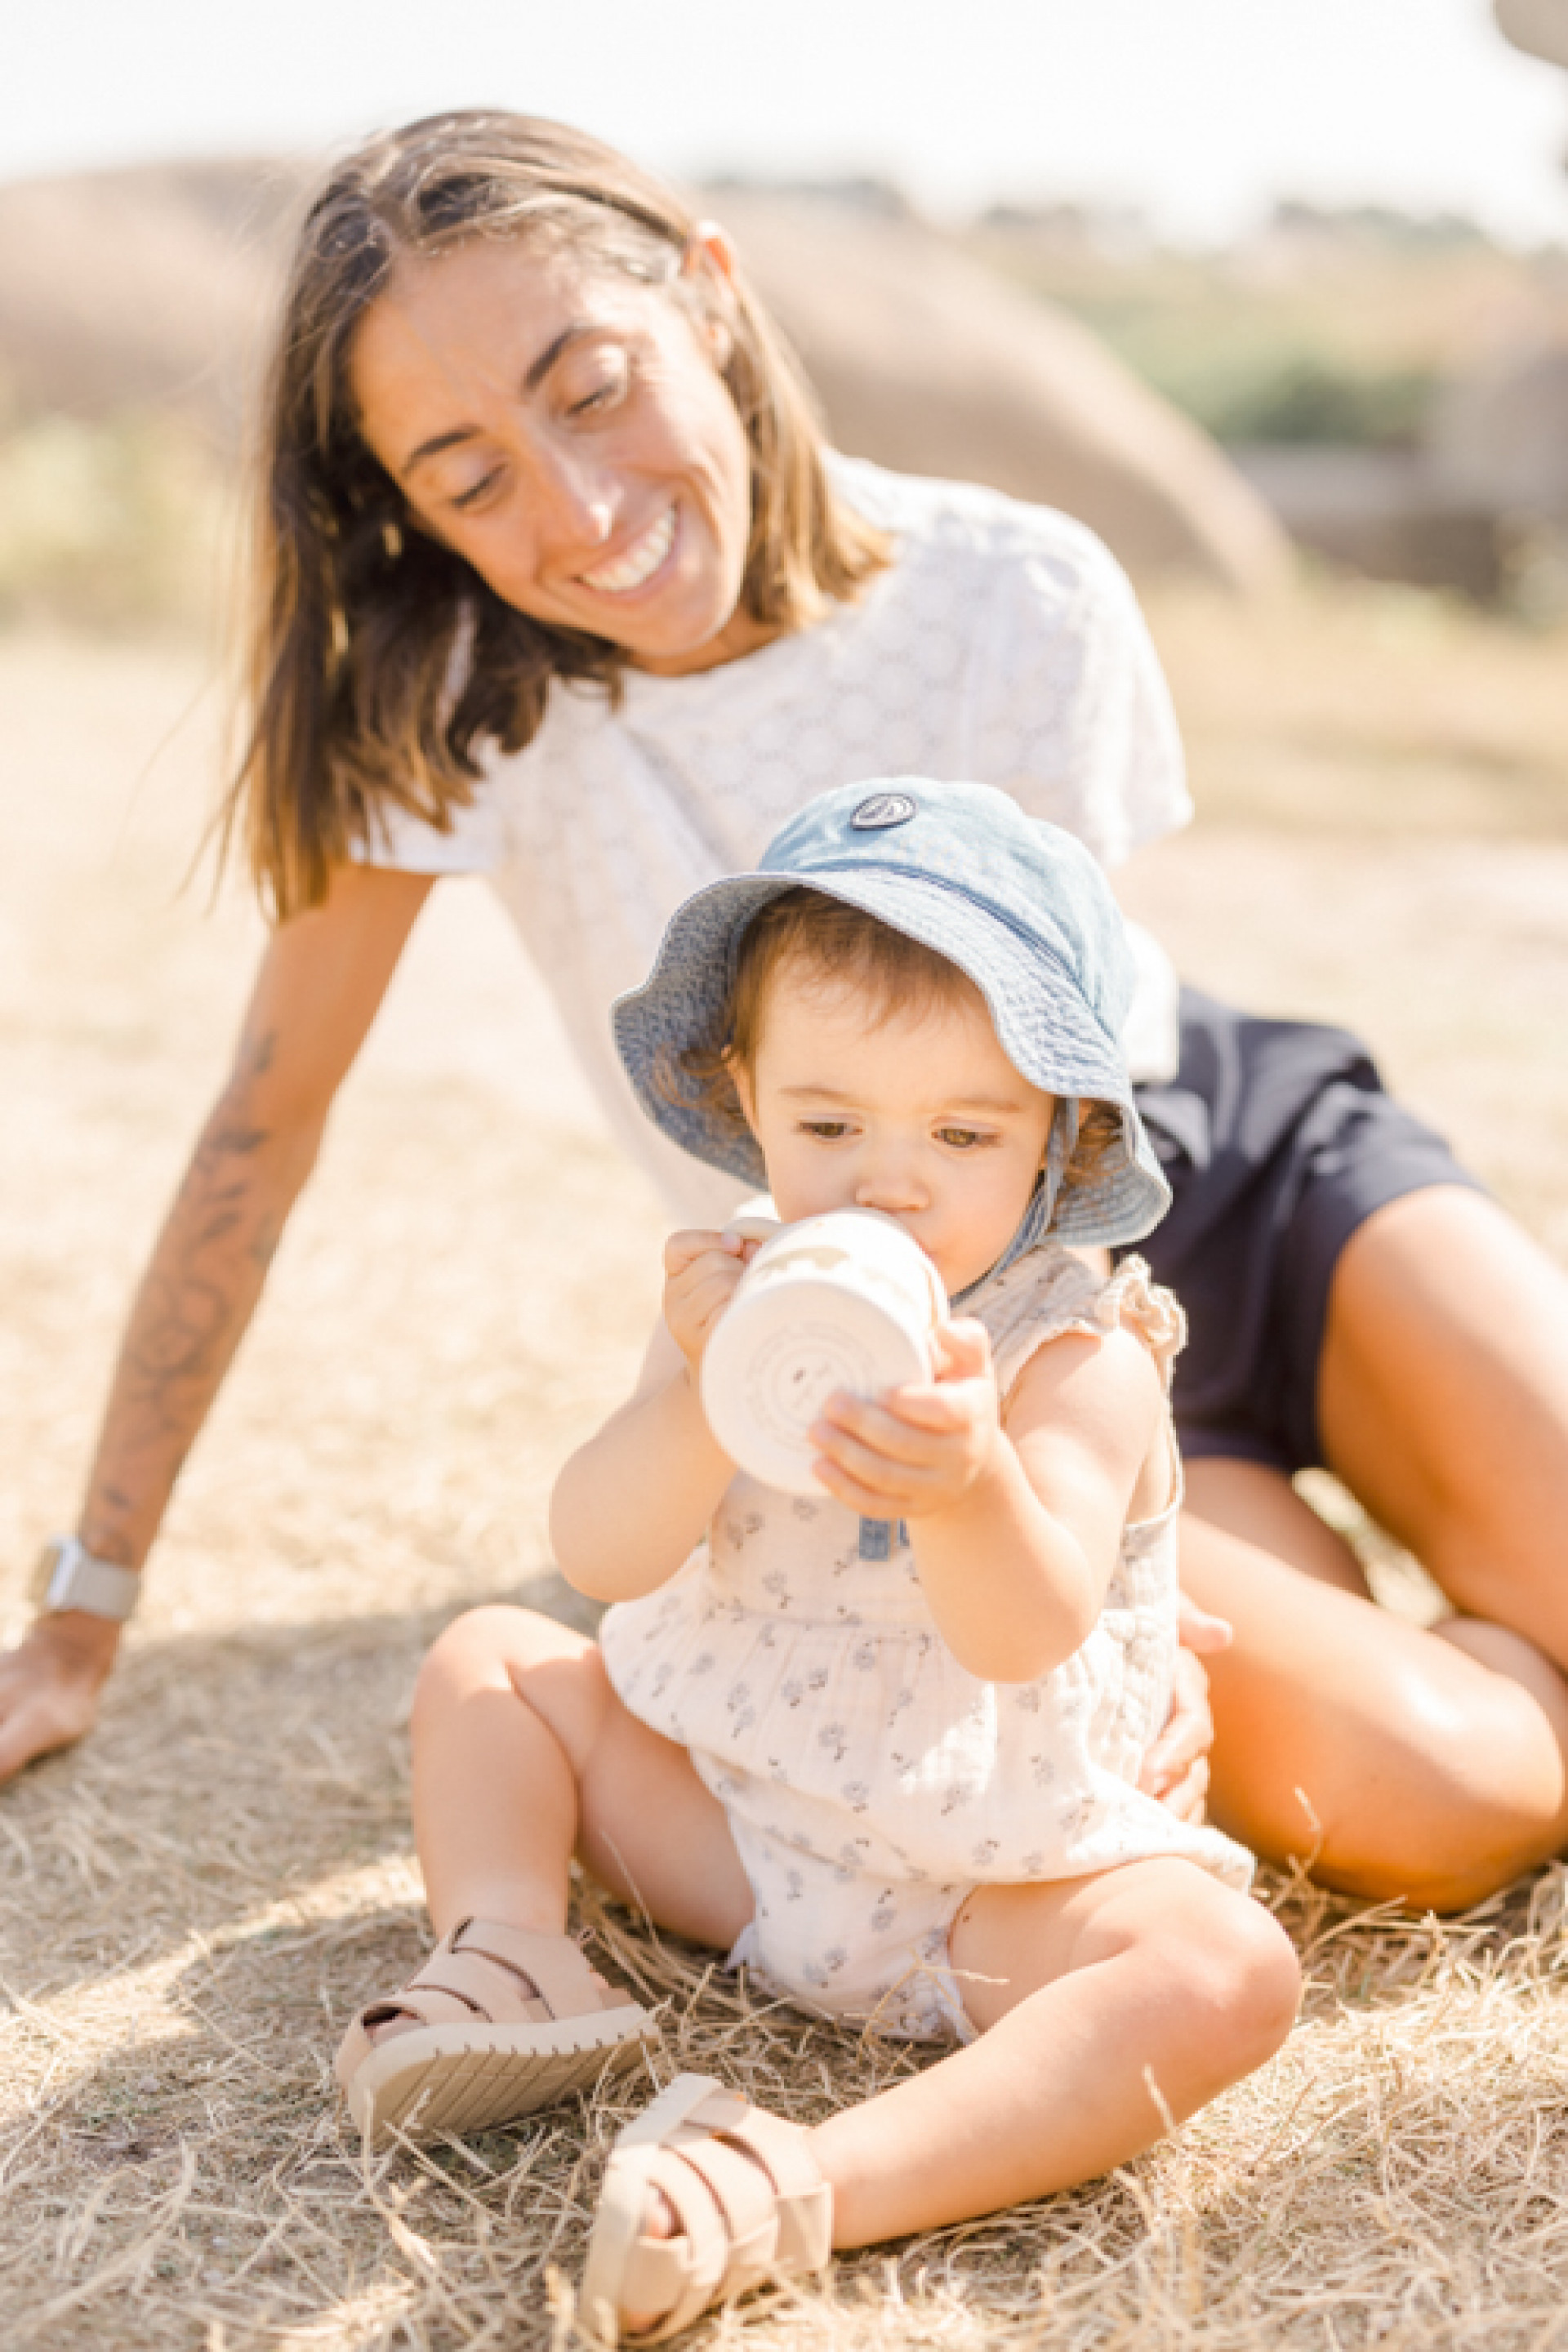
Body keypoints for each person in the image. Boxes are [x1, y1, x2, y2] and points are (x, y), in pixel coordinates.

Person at [7, 111, 1568, 1913]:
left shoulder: (1019, 587)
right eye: (469, 477)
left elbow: (1051, 1060)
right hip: (963, 1336)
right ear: (408, 512)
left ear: (711, 298)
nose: (578, 513)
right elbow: (261, 1130)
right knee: (1458, 1798)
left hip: (1217, 1174)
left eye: (593, 391)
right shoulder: (457, 713)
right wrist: (84, 1606)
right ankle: (1367, 1608)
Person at [332, 782, 1301, 2342]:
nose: (886, 1184)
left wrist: (969, 1484)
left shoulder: (1079, 1351)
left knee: (1223, 1972)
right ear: (747, 1096)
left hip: (985, 1891)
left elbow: (1028, 1628)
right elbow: (598, 1550)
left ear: (1062, 1134)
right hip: (732, 1828)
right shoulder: (734, 1294)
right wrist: (698, 1398)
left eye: (962, 1134)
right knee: (491, 1662)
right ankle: (511, 1955)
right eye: (829, 1125)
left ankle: (803, 2181)